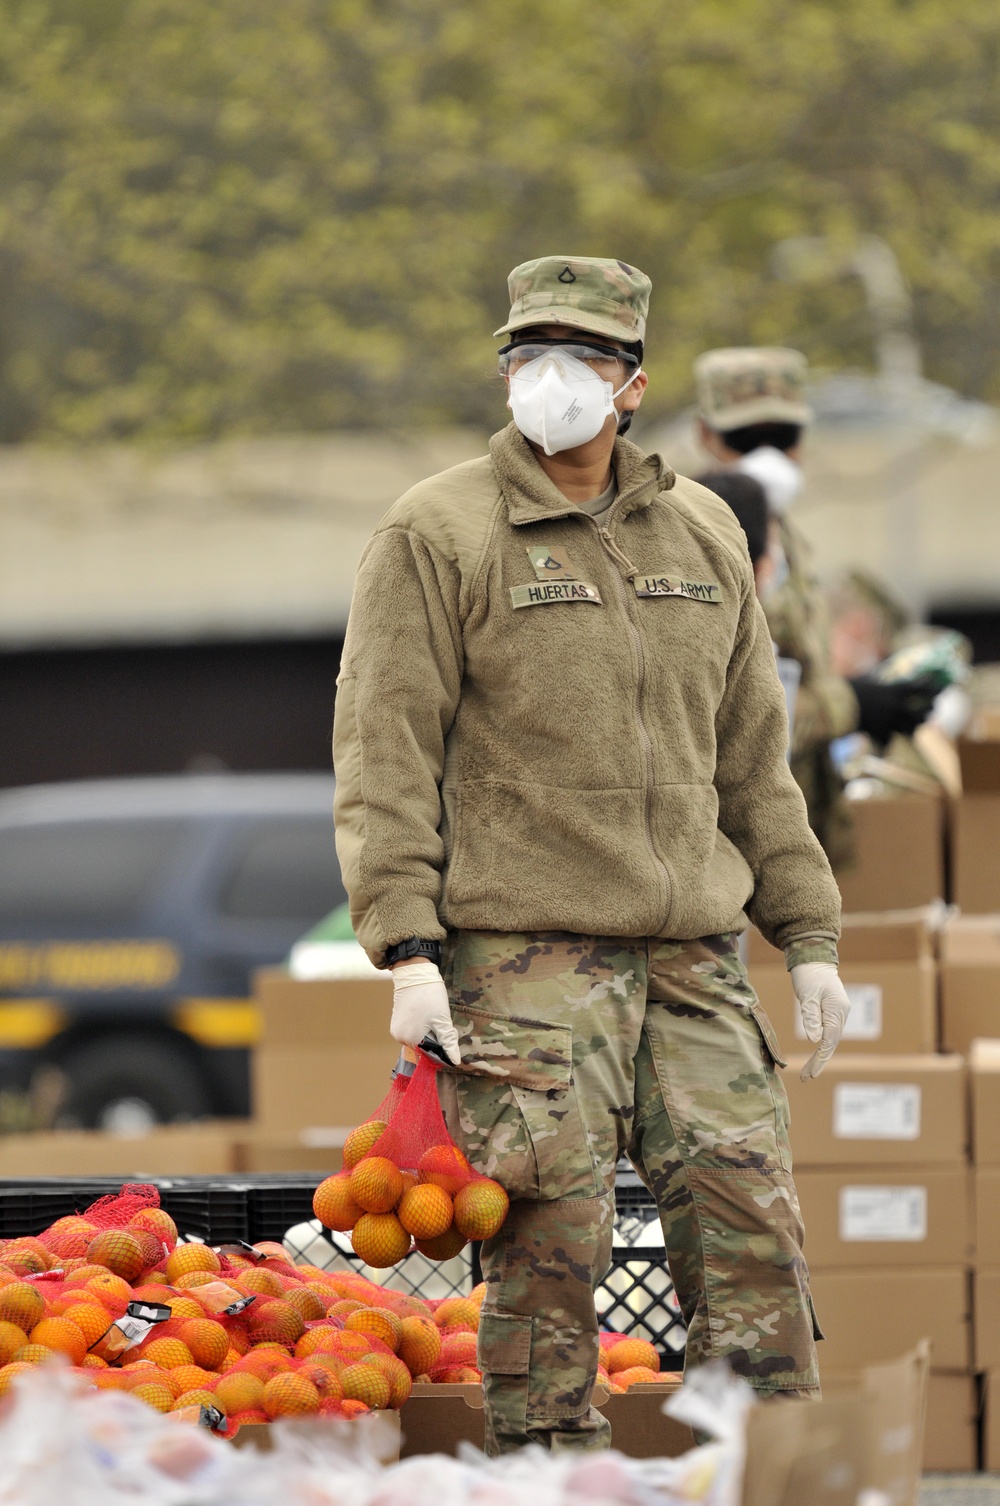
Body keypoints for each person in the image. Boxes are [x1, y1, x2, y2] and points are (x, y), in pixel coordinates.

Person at [333, 257, 851, 1455]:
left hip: (691, 957)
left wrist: (809, 936)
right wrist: (406, 946)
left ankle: (770, 1476)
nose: (552, 378)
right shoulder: (437, 529)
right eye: (529, 355)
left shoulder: (704, 527)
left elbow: (751, 758)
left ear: (634, 384)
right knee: (551, 1258)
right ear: (505, 369)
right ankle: (543, 1487)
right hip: (524, 958)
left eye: (585, 358)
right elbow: (384, 751)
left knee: (751, 1238)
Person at [693, 348, 938, 863]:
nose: (769, 456)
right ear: (705, 436)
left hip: (791, 825)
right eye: (744, 438)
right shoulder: (688, 541)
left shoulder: (790, 544)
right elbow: (710, 709)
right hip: (726, 841)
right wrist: (849, 702)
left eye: (782, 437)